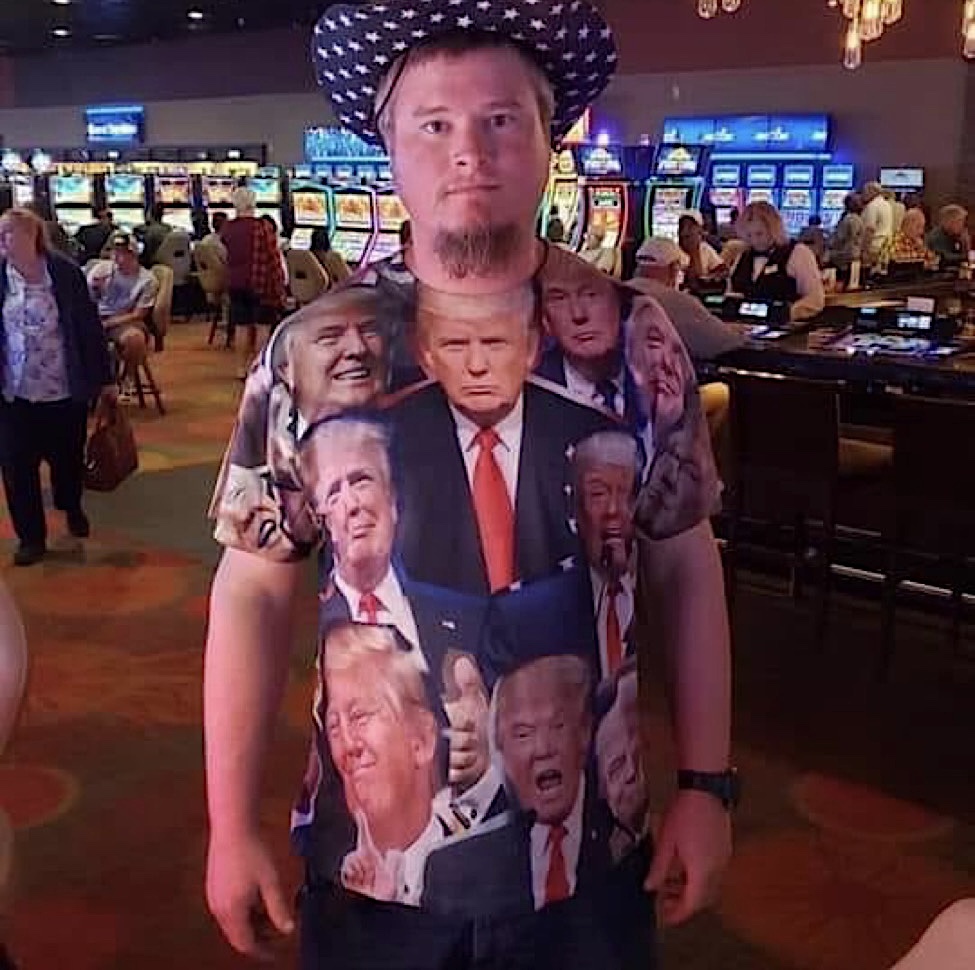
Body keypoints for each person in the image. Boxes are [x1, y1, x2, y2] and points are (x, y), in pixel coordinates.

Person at [205, 5, 733, 968]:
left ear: (548, 137)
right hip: (373, 861)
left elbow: (684, 563)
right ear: (388, 148)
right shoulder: (313, 349)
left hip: (590, 859)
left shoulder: (630, 336)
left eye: (499, 120)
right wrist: (228, 822)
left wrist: (706, 784)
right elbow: (252, 587)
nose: (467, 153)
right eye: (433, 124)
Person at [389, 279, 615, 597]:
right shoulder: (384, 443)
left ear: (532, 347)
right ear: (426, 355)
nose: (477, 366)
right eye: (455, 345)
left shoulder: (593, 436)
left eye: (495, 343)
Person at [0, 208, 115, 566]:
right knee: (16, 467)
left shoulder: (64, 273)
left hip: (61, 388)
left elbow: (88, 327)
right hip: (13, 391)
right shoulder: (1, 276)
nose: (1, 240)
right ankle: (31, 538)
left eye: (7, 233)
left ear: (30, 236)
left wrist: (106, 379)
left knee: (67, 461)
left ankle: (71, 504)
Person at [321, 621, 445, 906]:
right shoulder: (328, 882)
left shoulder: (481, 866)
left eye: (360, 716)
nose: (348, 745)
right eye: (334, 726)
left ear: (421, 740)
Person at [535, 248, 644, 427]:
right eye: (559, 299)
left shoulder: (656, 375)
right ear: (544, 319)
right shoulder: (528, 394)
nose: (578, 314)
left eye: (591, 295)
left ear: (619, 304)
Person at [573, 431, 640, 678]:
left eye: (625, 493)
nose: (613, 510)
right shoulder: (546, 611)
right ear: (577, 509)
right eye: (598, 494)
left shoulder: (667, 601)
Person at [219, 186, 286, 368]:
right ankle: (258, 368)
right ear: (253, 203)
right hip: (261, 283)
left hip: (236, 283)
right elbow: (273, 258)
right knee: (262, 326)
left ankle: (241, 367)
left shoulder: (228, 228)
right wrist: (280, 285)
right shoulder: (262, 226)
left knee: (242, 326)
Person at [86, 231, 159, 392]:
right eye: (115, 252)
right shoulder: (102, 269)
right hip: (97, 317)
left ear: (134, 254)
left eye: (124, 253)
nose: (118, 258)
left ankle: (126, 378)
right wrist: (96, 289)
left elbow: (139, 314)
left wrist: (108, 323)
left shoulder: (147, 280)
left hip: (126, 320)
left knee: (135, 339)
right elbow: (84, 300)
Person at [729, 201, 825, 322]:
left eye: (759, 234)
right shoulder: (743, 255)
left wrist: (786, 313)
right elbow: (732, 292)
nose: (754, 241)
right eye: (749, 235)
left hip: (786, 326)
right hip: (744, 326)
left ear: (774, 229)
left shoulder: (798, 253)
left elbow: (815, 299)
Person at [677, 211, 726, 290]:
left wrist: (710, 277)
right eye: (682, 227)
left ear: (699, 230)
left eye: (690, 226)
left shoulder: (705, 248)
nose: (685, 231)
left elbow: (722, 269)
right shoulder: (674, 251)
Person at [827, 192, 864, 283]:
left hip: (845, 254)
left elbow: (840, 237)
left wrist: (830, 243)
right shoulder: (859, 218)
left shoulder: (848, 219)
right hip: (855, 252)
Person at [926, 204, 971, 269]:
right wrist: (966, 256)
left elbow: (964, 253)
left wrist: (965, 242)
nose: (962, 224)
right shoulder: (936, 236)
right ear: (949, 221)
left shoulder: (957, 235)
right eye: (959, 221)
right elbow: (944, 257)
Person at [861, 181, 893, 269]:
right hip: (885, 245)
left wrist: (865, 250)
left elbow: (870, 229)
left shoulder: (872, 206)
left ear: (873, 191)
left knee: (869, 272)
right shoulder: (887, 204)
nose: (863, 195)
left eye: (865, 191)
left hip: (873, 246)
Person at [135, 201, 173, 268]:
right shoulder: (168, 228)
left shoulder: (144, 229)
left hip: (149, 262)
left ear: (149, 215)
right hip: (164, 262)